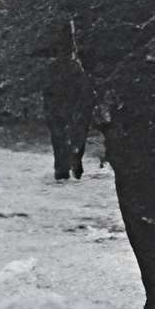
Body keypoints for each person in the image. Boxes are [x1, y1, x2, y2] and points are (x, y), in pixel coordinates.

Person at [42, 12, 96, 182]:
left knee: (61, 132)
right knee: (76, 129)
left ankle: (63, 167)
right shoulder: (76, 66)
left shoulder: (58, 66)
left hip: (63, 90)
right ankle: (72, 160)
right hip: (71, 88)